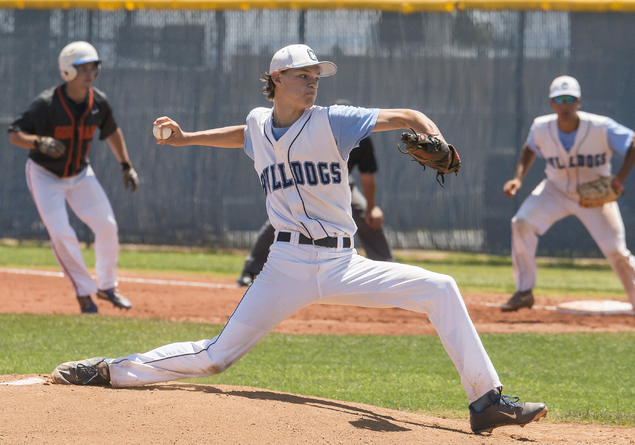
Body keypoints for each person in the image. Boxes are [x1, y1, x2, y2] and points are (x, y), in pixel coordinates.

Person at [51, 44, 547, 434]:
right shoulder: (256, 124)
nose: (312, 83)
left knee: (440, 288)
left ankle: (485, 401)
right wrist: (185, 138)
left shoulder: (333, 119)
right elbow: (241, 134)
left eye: (316, 77)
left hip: (343, 263)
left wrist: (437, 138)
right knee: (215, 357)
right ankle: (109, 370)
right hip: (285, 264)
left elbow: (409, 117)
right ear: (276, 81)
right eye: (302, 76)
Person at [8, 41, 137, 314]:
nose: (90, 73)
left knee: (107, 225)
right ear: (67, 71)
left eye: (93, 67)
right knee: (61, 233)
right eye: (83, 68)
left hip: (80, 173)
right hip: (45, 175)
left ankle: (106, 286)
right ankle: (84, 293)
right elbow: (15, 134)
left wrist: (125, 164)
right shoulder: (46, 104)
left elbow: (112, 131)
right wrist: (39, 141)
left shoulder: (98, 102)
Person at [501, 75, 635, 312]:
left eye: (569, 99)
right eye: (559, 99)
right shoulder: (541, 127)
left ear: (578, 102)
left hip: (596, 195)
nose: (564, 104)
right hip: (555, 191)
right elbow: (529, 149)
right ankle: (524, 291)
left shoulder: (600, 126)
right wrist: (518, 178)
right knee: (521, 222)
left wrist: (618, 180)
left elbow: (633, 143)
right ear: (552, 103)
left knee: (616, 251)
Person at [237, 101, 393, 287]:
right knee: (279, 222)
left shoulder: (361, 137)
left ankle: (387, 273)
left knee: (367, 216)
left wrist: (372, 208)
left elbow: (367, 176)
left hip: (341, 186)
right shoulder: (319, 129)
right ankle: (251, 270)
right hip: (304, 183)